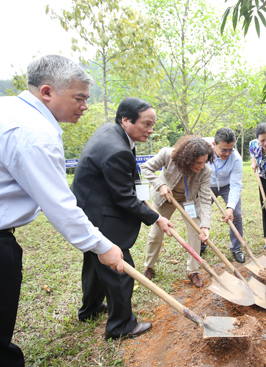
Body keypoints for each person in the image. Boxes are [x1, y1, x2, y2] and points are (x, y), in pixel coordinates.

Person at [0, 55, 124, 366]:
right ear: (48, 92)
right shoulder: (35, 133)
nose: (85, 106)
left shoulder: (2, 107)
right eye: (79, 98)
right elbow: (61, 206)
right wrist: (102, 246)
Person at [71, 97, 174, 340]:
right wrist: (156, 217)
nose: (150, 130)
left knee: (96, 263)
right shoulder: (117, 149)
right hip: (101, 214)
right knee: (120, 269)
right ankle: (121, 326)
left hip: (89, 207)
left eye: (153, 125)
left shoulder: (115, 132)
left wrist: (145, 198)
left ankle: (90, 309)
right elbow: (124, 198)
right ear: (126, 120)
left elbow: (132, 179)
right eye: (146, 124)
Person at [141, 136, 213, 288]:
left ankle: (193, 270)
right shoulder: (168, 155)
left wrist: (205, 226)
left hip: (188, 202)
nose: (201, 166)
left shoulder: (205, 171)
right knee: (155, 234)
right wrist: (160, 185)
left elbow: (206, 199)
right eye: (198, 162)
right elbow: (145, 168)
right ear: (187, 159)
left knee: (196, 233)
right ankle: (149, 267)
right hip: (164, 198)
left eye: (204, 161)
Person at [200, 128, 246, 263]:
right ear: (214, 145)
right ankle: (201, 244)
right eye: (224, 150)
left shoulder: (236, 159)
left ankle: (236, 248)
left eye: (230, 149)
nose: (227, 153)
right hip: (207, 185)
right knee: (201, 213)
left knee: (236, 214)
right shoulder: (203, 148)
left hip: (227, 185)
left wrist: (230, 207)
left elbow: (236, 185)